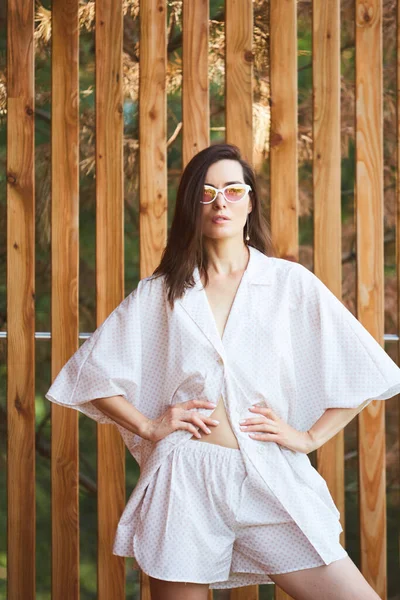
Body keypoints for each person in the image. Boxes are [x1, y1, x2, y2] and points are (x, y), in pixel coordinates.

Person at [45, 143, 399, 600]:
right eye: (208, 192)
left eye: (233, 190)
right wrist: (150, 426)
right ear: (191, 205)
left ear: (251, 202)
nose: (220, 203)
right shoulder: (163, 292)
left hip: (268, 474)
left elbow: (365, 367)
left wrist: (308, 438)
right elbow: (89, 375)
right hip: (185, 482)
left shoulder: (289, 284)